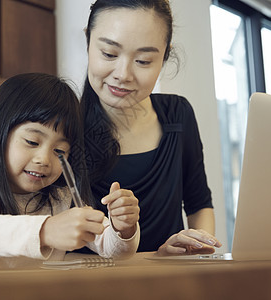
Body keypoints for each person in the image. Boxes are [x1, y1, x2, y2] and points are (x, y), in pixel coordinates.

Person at [0, 73, 140, 269]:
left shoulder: (62, 198)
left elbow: (115, 251)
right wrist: (45, 231)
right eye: (32, 142)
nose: (44, 160)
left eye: (59, 151)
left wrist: (123, 227)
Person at [80, 0, 222, 255]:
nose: (123, 74)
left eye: (143, 60)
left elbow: (198, 204)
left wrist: (198, 248)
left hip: (168, 284)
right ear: (88, 41)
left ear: (165, 55)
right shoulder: (61, 126)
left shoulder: (178, 114)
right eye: (109, 54)